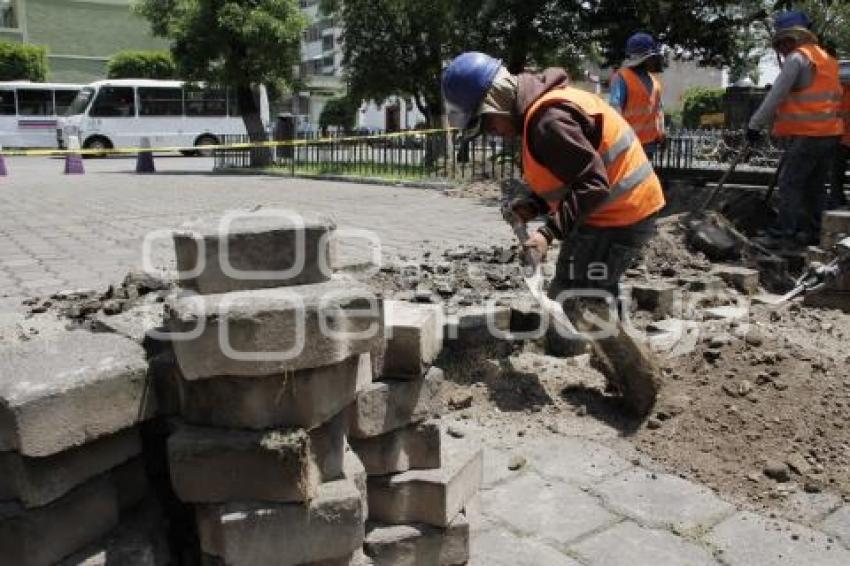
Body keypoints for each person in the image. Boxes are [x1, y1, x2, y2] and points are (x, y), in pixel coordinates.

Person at [442, 52, 665, 315]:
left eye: (487, 123)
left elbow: (592, 183)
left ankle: (595, 352)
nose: (493, 133)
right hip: (616, 210)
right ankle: (615, 349)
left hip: (619, 215)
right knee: (589, 294)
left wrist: (547, 234)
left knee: (573, 299)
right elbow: (571, 176)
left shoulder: (548, 121)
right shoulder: (538, 116)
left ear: (497, 100)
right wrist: (534, 206)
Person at [747, 10, 843, 248]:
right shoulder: (827, 59)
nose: (779, 49)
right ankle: (812, 231)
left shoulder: (797, 59)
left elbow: (776, 95)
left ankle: (784, 233)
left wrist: (754, 125)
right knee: (815, 186)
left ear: (791, 38)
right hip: (829, 134)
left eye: (780, 43)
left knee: (790, 182)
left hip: (809, 134)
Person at [609, 33, 665, 158]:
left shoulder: (654, 82)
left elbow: (658, 111)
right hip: (631, 145)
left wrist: (661, 134)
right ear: (647, 58)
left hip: (643, 145)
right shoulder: (623, 78)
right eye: (653, 58)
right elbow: (615, 111)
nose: (654, 61)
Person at [829, 62, 850, 209]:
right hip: (840, 137)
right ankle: (837, 199)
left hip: (841, 137)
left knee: (837, 172)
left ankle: (837, 200)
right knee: (836, 172)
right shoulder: (837, 92)